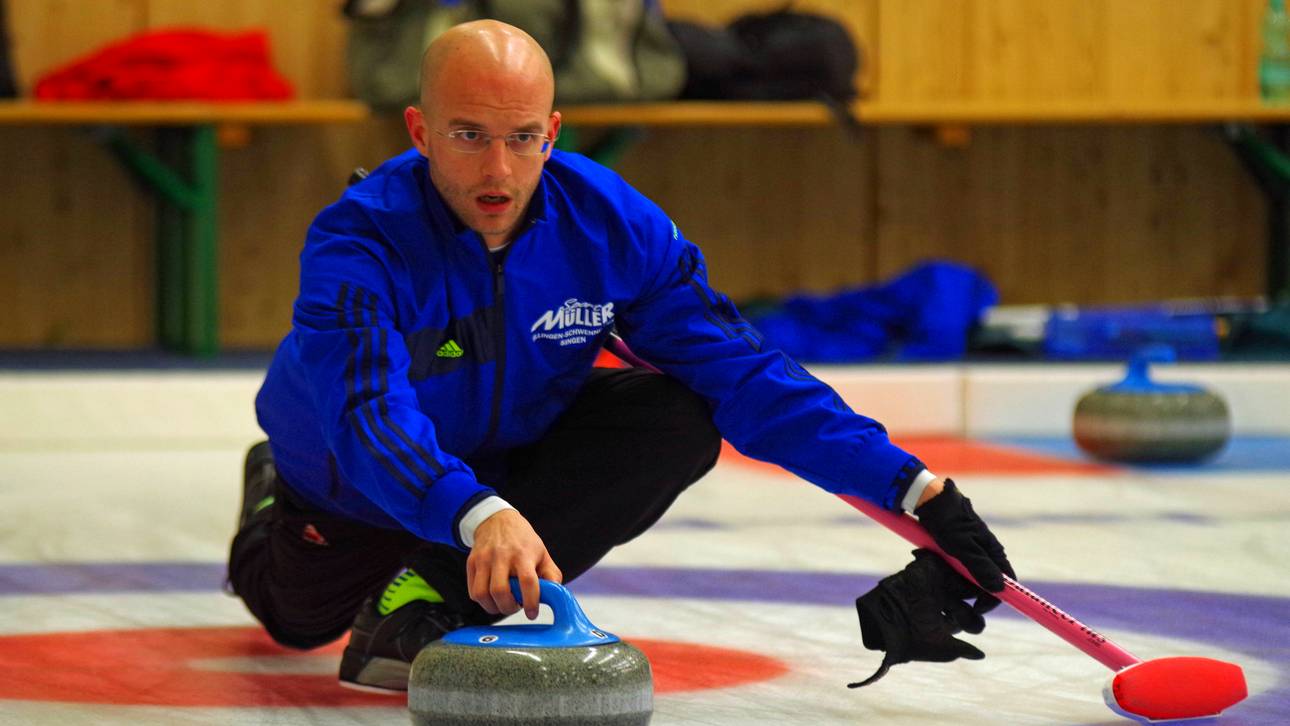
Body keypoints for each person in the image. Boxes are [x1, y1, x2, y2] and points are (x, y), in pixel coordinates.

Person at [227, 19, 1015, 693]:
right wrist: (477, 514)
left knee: (676, 414)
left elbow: (744, 373)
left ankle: (430, 598)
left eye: (523, 138)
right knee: (296, 625)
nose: (498, 170)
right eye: (468, 136)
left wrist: (914, 489)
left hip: (505, 467)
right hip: (354, 484)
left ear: (554, 131)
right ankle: (269, 491)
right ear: (420, 131)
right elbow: (368, 418)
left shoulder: (612, 226)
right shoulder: (357, 240)